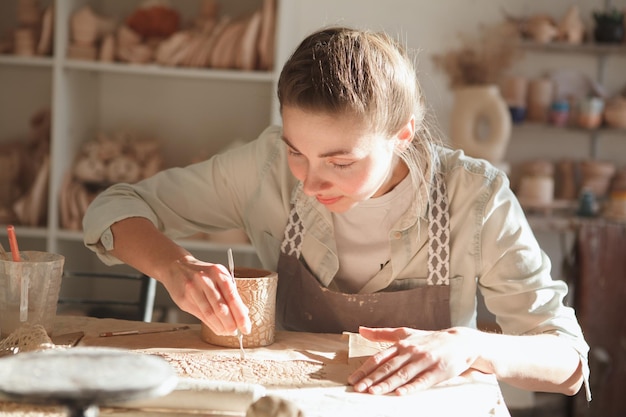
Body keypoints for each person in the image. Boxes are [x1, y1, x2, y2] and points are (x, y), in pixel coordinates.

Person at [83, 26, 590, 399]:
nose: (309, 180)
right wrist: (176, 267)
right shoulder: (266, 169)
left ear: (402, 136)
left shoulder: (475, 196)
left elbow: (568, 360)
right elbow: (113, 206)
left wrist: (469, 346)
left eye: (340, 161)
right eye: (296, 150)